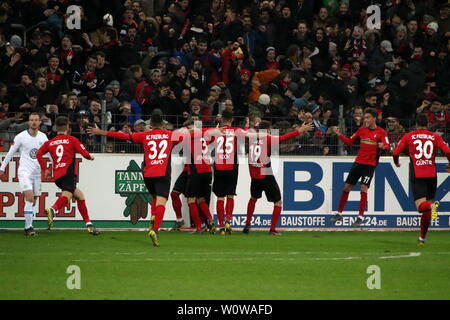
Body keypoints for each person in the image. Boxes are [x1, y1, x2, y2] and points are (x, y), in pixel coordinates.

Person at [87, 109, 184, 247]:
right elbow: (192, 135)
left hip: (148, 174)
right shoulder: (170, 135)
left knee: (154, 198)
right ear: (163, 124)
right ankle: (155, 230)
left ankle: (152, 221)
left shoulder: (144, 135)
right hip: (162, 174)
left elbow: (124, 136)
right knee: (161, 202)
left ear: (151, 123)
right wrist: (211, 132)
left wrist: (101, 132)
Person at [243, 121, 313, 235]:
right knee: (278, 202)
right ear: (268, 129)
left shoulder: (250, 138)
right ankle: (272, 229)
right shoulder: (269, 139)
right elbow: (284, 137)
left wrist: (247, 125)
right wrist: (300, 130)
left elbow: (244, 132)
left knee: (253, 198)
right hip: (266, 173)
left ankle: (247, 225)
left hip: (254, 175)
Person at [36, 116, 100, 235]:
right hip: (68, 173)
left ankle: (89, 224)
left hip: (58, 176)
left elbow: (38, 153)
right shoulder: (72, 140)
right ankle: (53, 209)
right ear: (68, 127)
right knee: (67, 195)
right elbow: (84, 152)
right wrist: (90, 157)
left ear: (56, 128)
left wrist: (45, 169)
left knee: (80, 196)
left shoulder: (50, 142)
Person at [392, 114, 450, 246]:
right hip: (432, 175)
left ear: (416, 124)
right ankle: (422, 238)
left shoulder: (408, 136)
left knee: (421, 207)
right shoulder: (435, 136)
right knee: (427, 210)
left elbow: (395, 153)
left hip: (418, 175)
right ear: (427, 124)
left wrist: (396, 163)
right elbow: (448, 151)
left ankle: (431, 206)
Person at [331, 108, 390, 227]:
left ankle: (360, 216)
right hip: (358, 163)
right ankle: (339, 213)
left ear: (374, 118)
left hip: (370, 165)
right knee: (346, 187)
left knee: (363, 188)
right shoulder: (361, 130)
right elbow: (350, 142)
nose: (365, 119)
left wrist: (383, 146)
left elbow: (387, 144)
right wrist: (338, 134)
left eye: (368, 117)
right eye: (365, 117)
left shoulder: (381, 132)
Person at [0, 113, 48, 236]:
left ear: (40, 122)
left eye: (36, 120)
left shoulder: (43, 137)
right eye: (32, 120)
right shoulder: (20, 137)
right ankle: (28, 228)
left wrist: (51, 167)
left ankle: (29, 224)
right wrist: (2, 168)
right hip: (24, 172)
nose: (34, 122)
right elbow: (10, 153)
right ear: (28, 122)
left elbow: (51, 153)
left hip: (37, 173)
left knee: (33, 201)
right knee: (30, 197)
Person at [209, 110, 248, 235]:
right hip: (232, 167)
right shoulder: (236, 130)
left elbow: (207, 140)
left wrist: (217, 125)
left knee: (220, 197)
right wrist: (246, 125)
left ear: (221, 119)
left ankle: (221, 225)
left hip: (219, 167)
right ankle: (228, 221)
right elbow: (247, 135)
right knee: (230, 195)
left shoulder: (216, 131)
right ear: (232, 119)